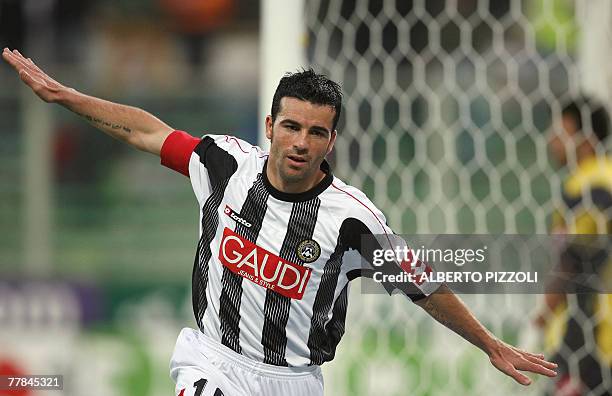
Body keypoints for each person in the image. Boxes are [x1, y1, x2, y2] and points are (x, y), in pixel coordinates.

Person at [3, 47, 557, 396]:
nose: (301, 142)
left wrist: (488, 343)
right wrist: (67, 97)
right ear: (269, 125)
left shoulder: (352, 222)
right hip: (213, 361)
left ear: (332, 140)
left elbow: (424, 288)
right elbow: (149, 131)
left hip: (294, 381)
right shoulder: (222, 164)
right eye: (291, 126)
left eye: (317, 132)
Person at [536, 97, 612, 396]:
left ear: (586, 138)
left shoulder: (589, 185)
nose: (552, 139)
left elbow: (572, 263)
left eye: (561, 130)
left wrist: (542, 315)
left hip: (589, 336)